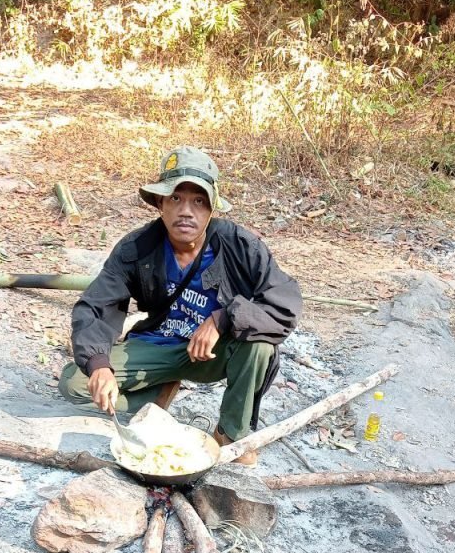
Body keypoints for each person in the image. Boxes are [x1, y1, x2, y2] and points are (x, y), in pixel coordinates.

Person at [58, 145, 302, 466]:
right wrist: (99, 364)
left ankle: (231, 434)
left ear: (211, 209)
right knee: (75, 382)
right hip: (160, 344)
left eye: (198, 201)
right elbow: (97, 306)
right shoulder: (137, 247)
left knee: (262, 346)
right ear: (160, 203)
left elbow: (286, 302)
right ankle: (154, 401)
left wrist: (223, 319)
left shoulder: (238, 245)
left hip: (212, 355)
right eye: (175, 198)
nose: (186, 211)